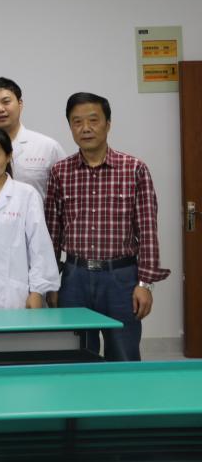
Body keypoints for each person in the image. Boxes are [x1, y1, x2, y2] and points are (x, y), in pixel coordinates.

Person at [44, 92, 169, 361]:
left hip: (121, 278)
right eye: (77, 122)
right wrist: (51, 283)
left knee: (124, 355)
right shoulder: (60, 172)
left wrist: (145, 284)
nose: (85, 128)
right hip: (74, 278)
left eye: (93, 120)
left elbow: (147, 231)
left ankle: (125, 390)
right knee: (76, 356)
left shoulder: (134, 169)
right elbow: (52, 233)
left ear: (108, 123)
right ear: (70, 127)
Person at [0, 126, 59, 310]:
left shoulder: (26, 194)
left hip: (14, 295)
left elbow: (39, 247)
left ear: (8, 156)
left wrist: (37, 291)